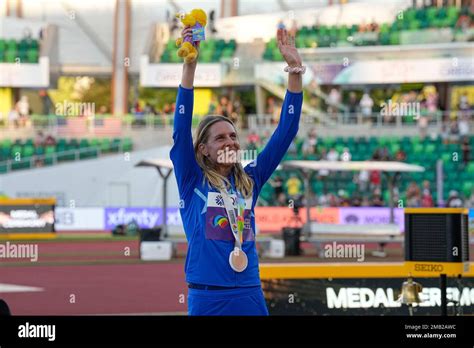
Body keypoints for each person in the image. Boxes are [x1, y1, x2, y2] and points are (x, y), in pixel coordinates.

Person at [170, 25, 303, 316]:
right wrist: (189, 67)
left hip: (249, 293)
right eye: (220, 137)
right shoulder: (192, 179)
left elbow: (286, 131)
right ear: (203, 148)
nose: (230, 140)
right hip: (207, 297)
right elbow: (181, 130)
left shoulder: (250, 181)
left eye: (233, 136)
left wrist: (295, 71)